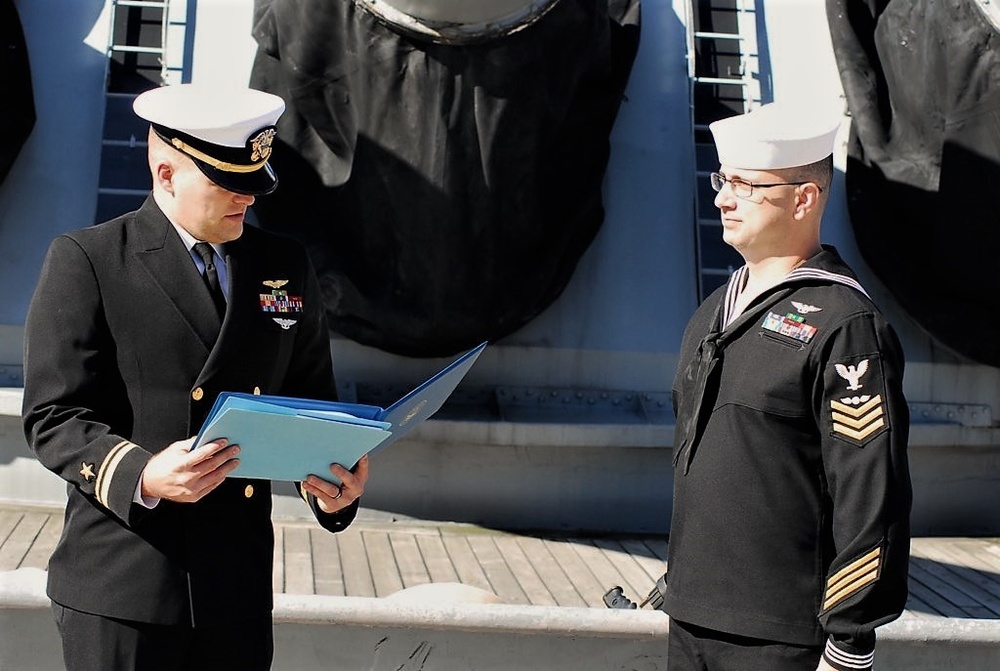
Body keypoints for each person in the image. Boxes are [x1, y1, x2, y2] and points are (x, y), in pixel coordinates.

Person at [22, 83, 369, 670]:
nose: (247, 200)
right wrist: (143, 473)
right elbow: (53, 416)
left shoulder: (284, 264)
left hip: (234, 588)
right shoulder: (90, 260)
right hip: (123, 582)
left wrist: (334, 484)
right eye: (228, 184)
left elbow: (312, 401)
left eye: (254, 183)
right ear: (166, 174)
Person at [662, 101, 912, 671]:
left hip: (780, 634)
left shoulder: (844, 325)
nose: (722, 197)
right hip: (691, 617)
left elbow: (871, 489)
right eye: (723, 180)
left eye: (746, 185)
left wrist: (849, 640)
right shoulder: (713, 313)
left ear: (804, 197)